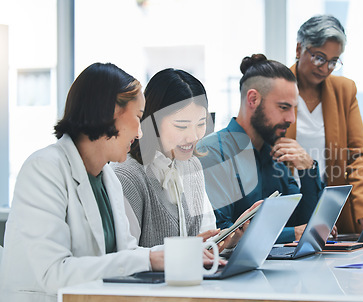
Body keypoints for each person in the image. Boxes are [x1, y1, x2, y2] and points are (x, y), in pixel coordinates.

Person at [0, 63, 215, 302]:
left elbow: (127, 254)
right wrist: (151, 259)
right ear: (110, 115)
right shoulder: (44, 168)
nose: (141, 132)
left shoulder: (107, 176)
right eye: (137, 117)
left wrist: (184, 252)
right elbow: (54, 273)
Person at [112, 68, 246, 249]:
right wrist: (186, 252)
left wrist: (226, 243)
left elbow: (205, 240)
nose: (193, 137)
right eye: (181, 126)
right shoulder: (127, 175)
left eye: (200, 124)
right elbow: (125, 256)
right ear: (152, 122)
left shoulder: (192, 167)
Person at [198, 54, 324, 244]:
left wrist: (308, 170)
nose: (292, 118)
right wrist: (294, 234)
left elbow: (303, 223)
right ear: (253, 99)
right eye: (283, 107)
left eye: (294, 109)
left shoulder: (276, 155)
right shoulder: (212, 152)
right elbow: (220, 232)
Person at [284, 14, 363, 234]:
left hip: (330, 209)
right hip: (288, 205)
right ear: (299, 50)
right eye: (319, 57)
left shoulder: (345, 91)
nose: (325, 68)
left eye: (333, 61)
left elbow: (358, 156)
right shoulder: (277, 88)